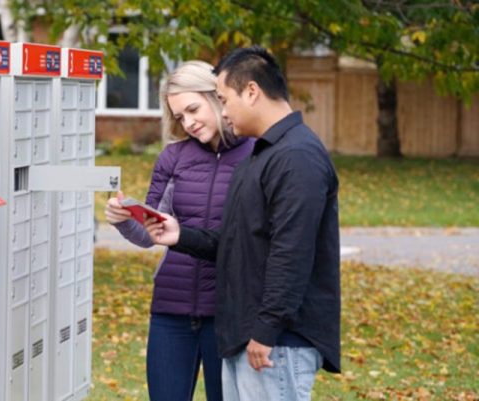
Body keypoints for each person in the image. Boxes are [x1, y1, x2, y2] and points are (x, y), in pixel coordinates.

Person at [144, 47, 341, 401]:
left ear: (251, 92)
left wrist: (266, 331)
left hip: (274, 342)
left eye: (223, 98)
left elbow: (291, 254)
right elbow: (237, 243)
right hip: (249, 336)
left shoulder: (296, 156)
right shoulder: (264, 156)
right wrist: (180, 236)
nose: (223, 109)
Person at [104, 60, 254, 401]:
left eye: (193, 109)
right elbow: (149, 233)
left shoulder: (257, 154)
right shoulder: (173, 158)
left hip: (228, 312)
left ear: (217, 96)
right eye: (179, 116)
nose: (188, 123)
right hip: (172, 310)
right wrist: (125, 218)